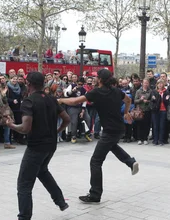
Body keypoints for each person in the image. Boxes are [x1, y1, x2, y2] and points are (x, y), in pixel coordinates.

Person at [58, 69, 139, 204]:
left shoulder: (97, 92)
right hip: (119, 128)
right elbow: (128, 100)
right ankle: (130, 162)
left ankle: (95, 194)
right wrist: (125, 112)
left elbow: (75, 101)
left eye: (96, 77)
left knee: (95, 161)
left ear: (100, 79)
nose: (94, 79)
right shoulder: (116, 91)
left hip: (109, 130)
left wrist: (61, 100)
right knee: (112, 145)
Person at [5, 72, 70, 220]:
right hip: (51, 145)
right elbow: (67, 119)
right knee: (42, 171)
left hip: (36, 146)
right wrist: (57, 130)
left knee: (24, 184)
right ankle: (60, 201)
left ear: (28, 84)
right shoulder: (51, 99)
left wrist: (11, 125)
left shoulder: (29, 101)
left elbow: (26, 128)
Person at [134, 78, 152, 145]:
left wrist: (147, 101)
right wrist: (140, 100)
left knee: (147, 125)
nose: (145, 84)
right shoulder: (138, 91)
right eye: (144, 83)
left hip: (147, 110)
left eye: (147, 83)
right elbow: (135, 101)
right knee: (139, 125)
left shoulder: (150, 91)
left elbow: (152, 101)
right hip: (140, 110)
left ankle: (145, 138)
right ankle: (139, 138)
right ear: (142, 83)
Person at [150, 80, 169, 146]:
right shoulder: (154, 91)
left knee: (162, 126)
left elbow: (167, 101)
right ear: (157, 85)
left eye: (161, 83)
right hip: (155, 110)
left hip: (163, 110)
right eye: (159, 84)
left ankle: (161, 140)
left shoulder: (166, 92)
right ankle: (155, 140)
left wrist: (162, 97)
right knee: (155, 126)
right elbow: (153, 100)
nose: (160, 85)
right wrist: (158, 97)